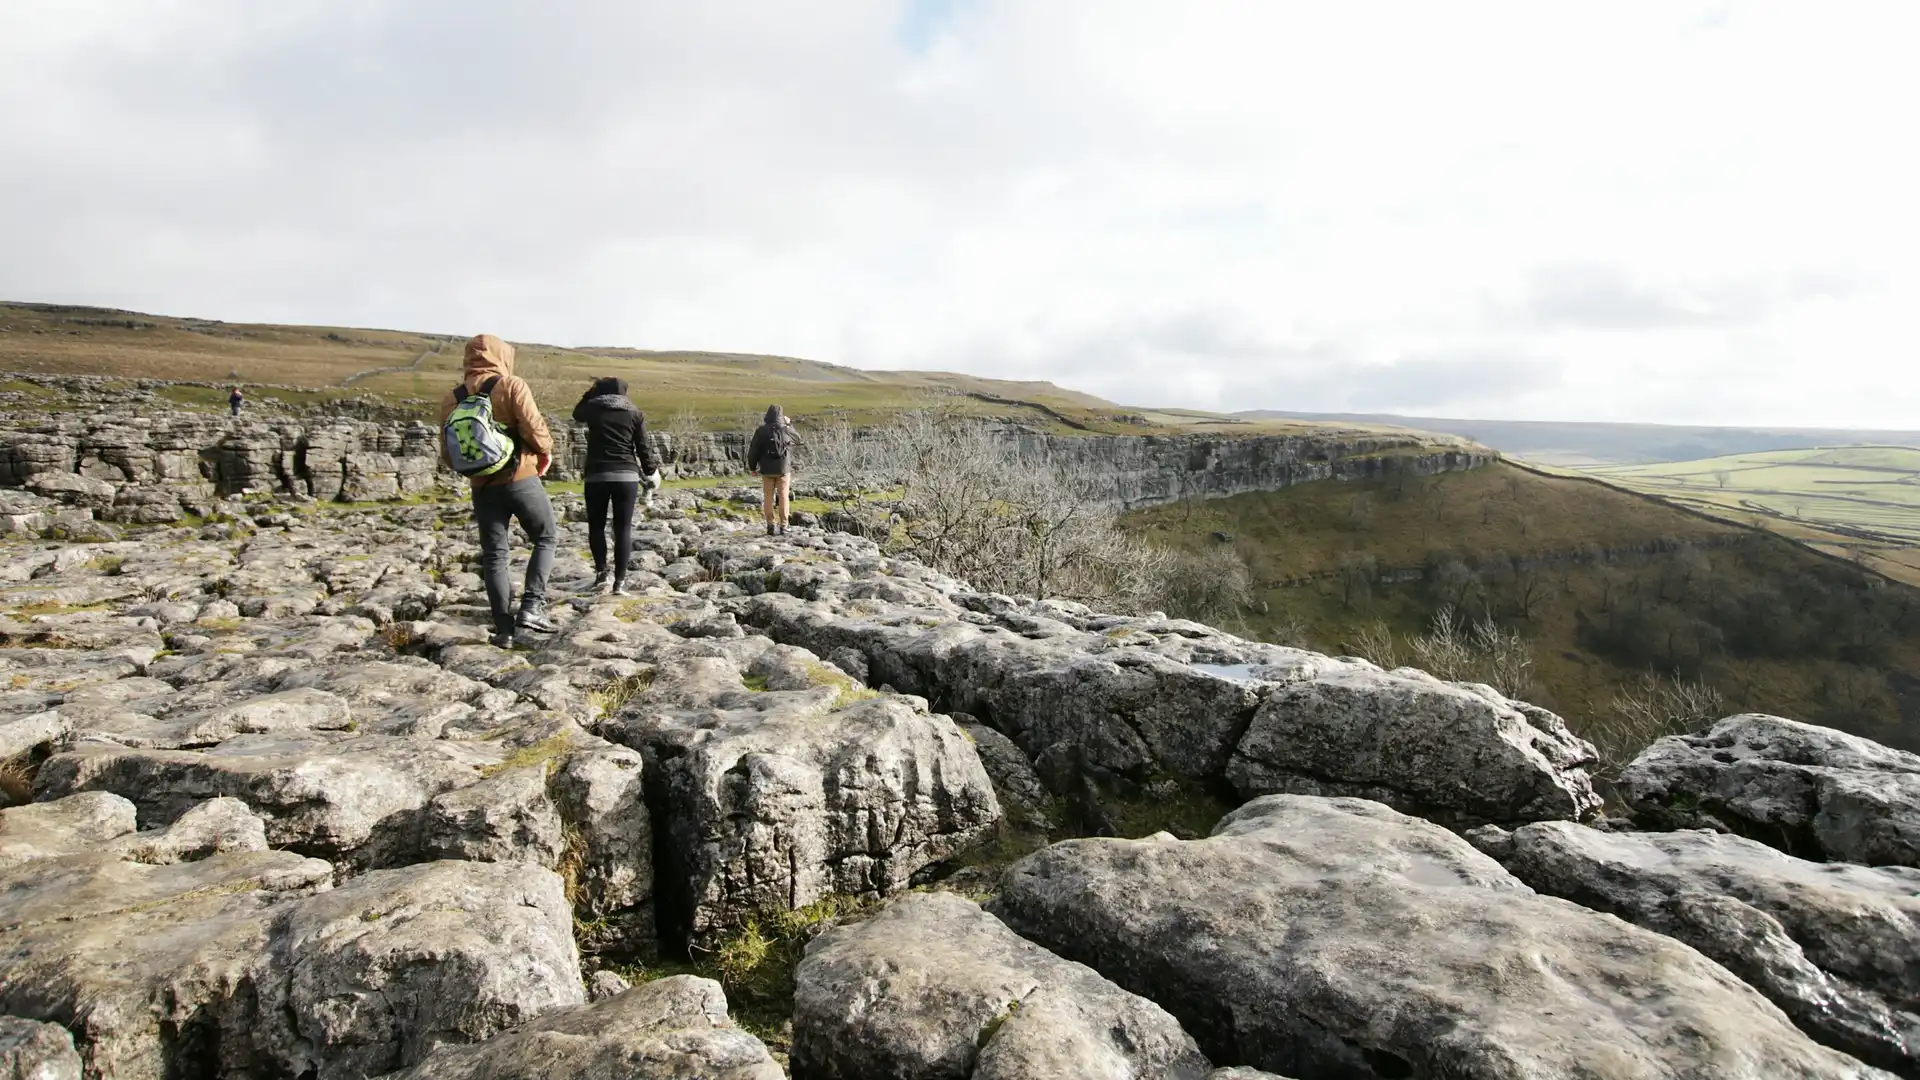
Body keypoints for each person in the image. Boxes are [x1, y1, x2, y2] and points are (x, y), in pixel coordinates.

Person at [438, 333, 558, 649]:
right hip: (520, 479)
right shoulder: (512, 385)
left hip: (482, 488)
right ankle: (532, 607)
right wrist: (544, 452)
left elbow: (448, 454)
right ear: (502, 356)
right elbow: (534, 428)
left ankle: (504, 631)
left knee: (495, 555)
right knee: (546, 537)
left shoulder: (453, 398)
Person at [572, 376, 662, 595]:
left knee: (596, 527)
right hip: (626, 476)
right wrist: (651, 471)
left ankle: (602, 573)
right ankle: (620, 582)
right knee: (623, 529)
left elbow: (577, 414)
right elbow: (643, 446)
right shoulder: (634, 412)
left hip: (596, 475)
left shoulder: (593, 408)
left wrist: (589, 392)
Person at [746, 404, 796, 536]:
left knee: (768, 497)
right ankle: (784, 526)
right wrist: (789, 424)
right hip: (783, 469)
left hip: (767, 470)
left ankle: (770, 525)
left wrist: (752, 467)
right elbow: (798, 439)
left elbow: (753, 451)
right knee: (784, 496)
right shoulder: (786, 429)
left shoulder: (761, 431)